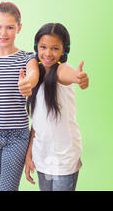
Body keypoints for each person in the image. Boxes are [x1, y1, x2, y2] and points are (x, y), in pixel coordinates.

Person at [0, 1, 39, 191]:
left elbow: (33, 73)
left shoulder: (27, 57)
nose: (3, 33)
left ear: (19, 28)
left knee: (8, 188)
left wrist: (28, 83)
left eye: (10, 27)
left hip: (17, 136)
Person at [24, 23, 89, 191]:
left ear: (63, 51)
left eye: (55, 48)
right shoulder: (35, 75)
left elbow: (67, 74)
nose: (47, 53)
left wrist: (78, 77)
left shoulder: (62, 70)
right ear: (36, 47)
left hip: (64, 159)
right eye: (43, 47)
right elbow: (37, 124)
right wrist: (29, 154)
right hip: (42, 157)